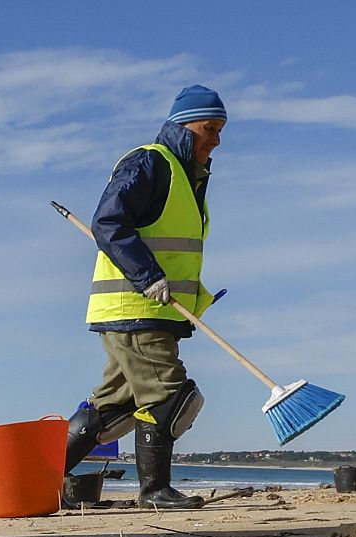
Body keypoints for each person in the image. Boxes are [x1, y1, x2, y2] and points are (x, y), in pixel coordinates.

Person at [62, 85, 226, 510]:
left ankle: (39, 479)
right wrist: (147, 276)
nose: (217, 140)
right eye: (210, 128)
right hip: (137, 307)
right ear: (183, 127)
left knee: (113, 407)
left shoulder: (188, 177)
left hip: (151, 310)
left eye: (221, 130)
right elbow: (109, 221)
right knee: (171, 397)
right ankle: (154, 491)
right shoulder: (152, 162)